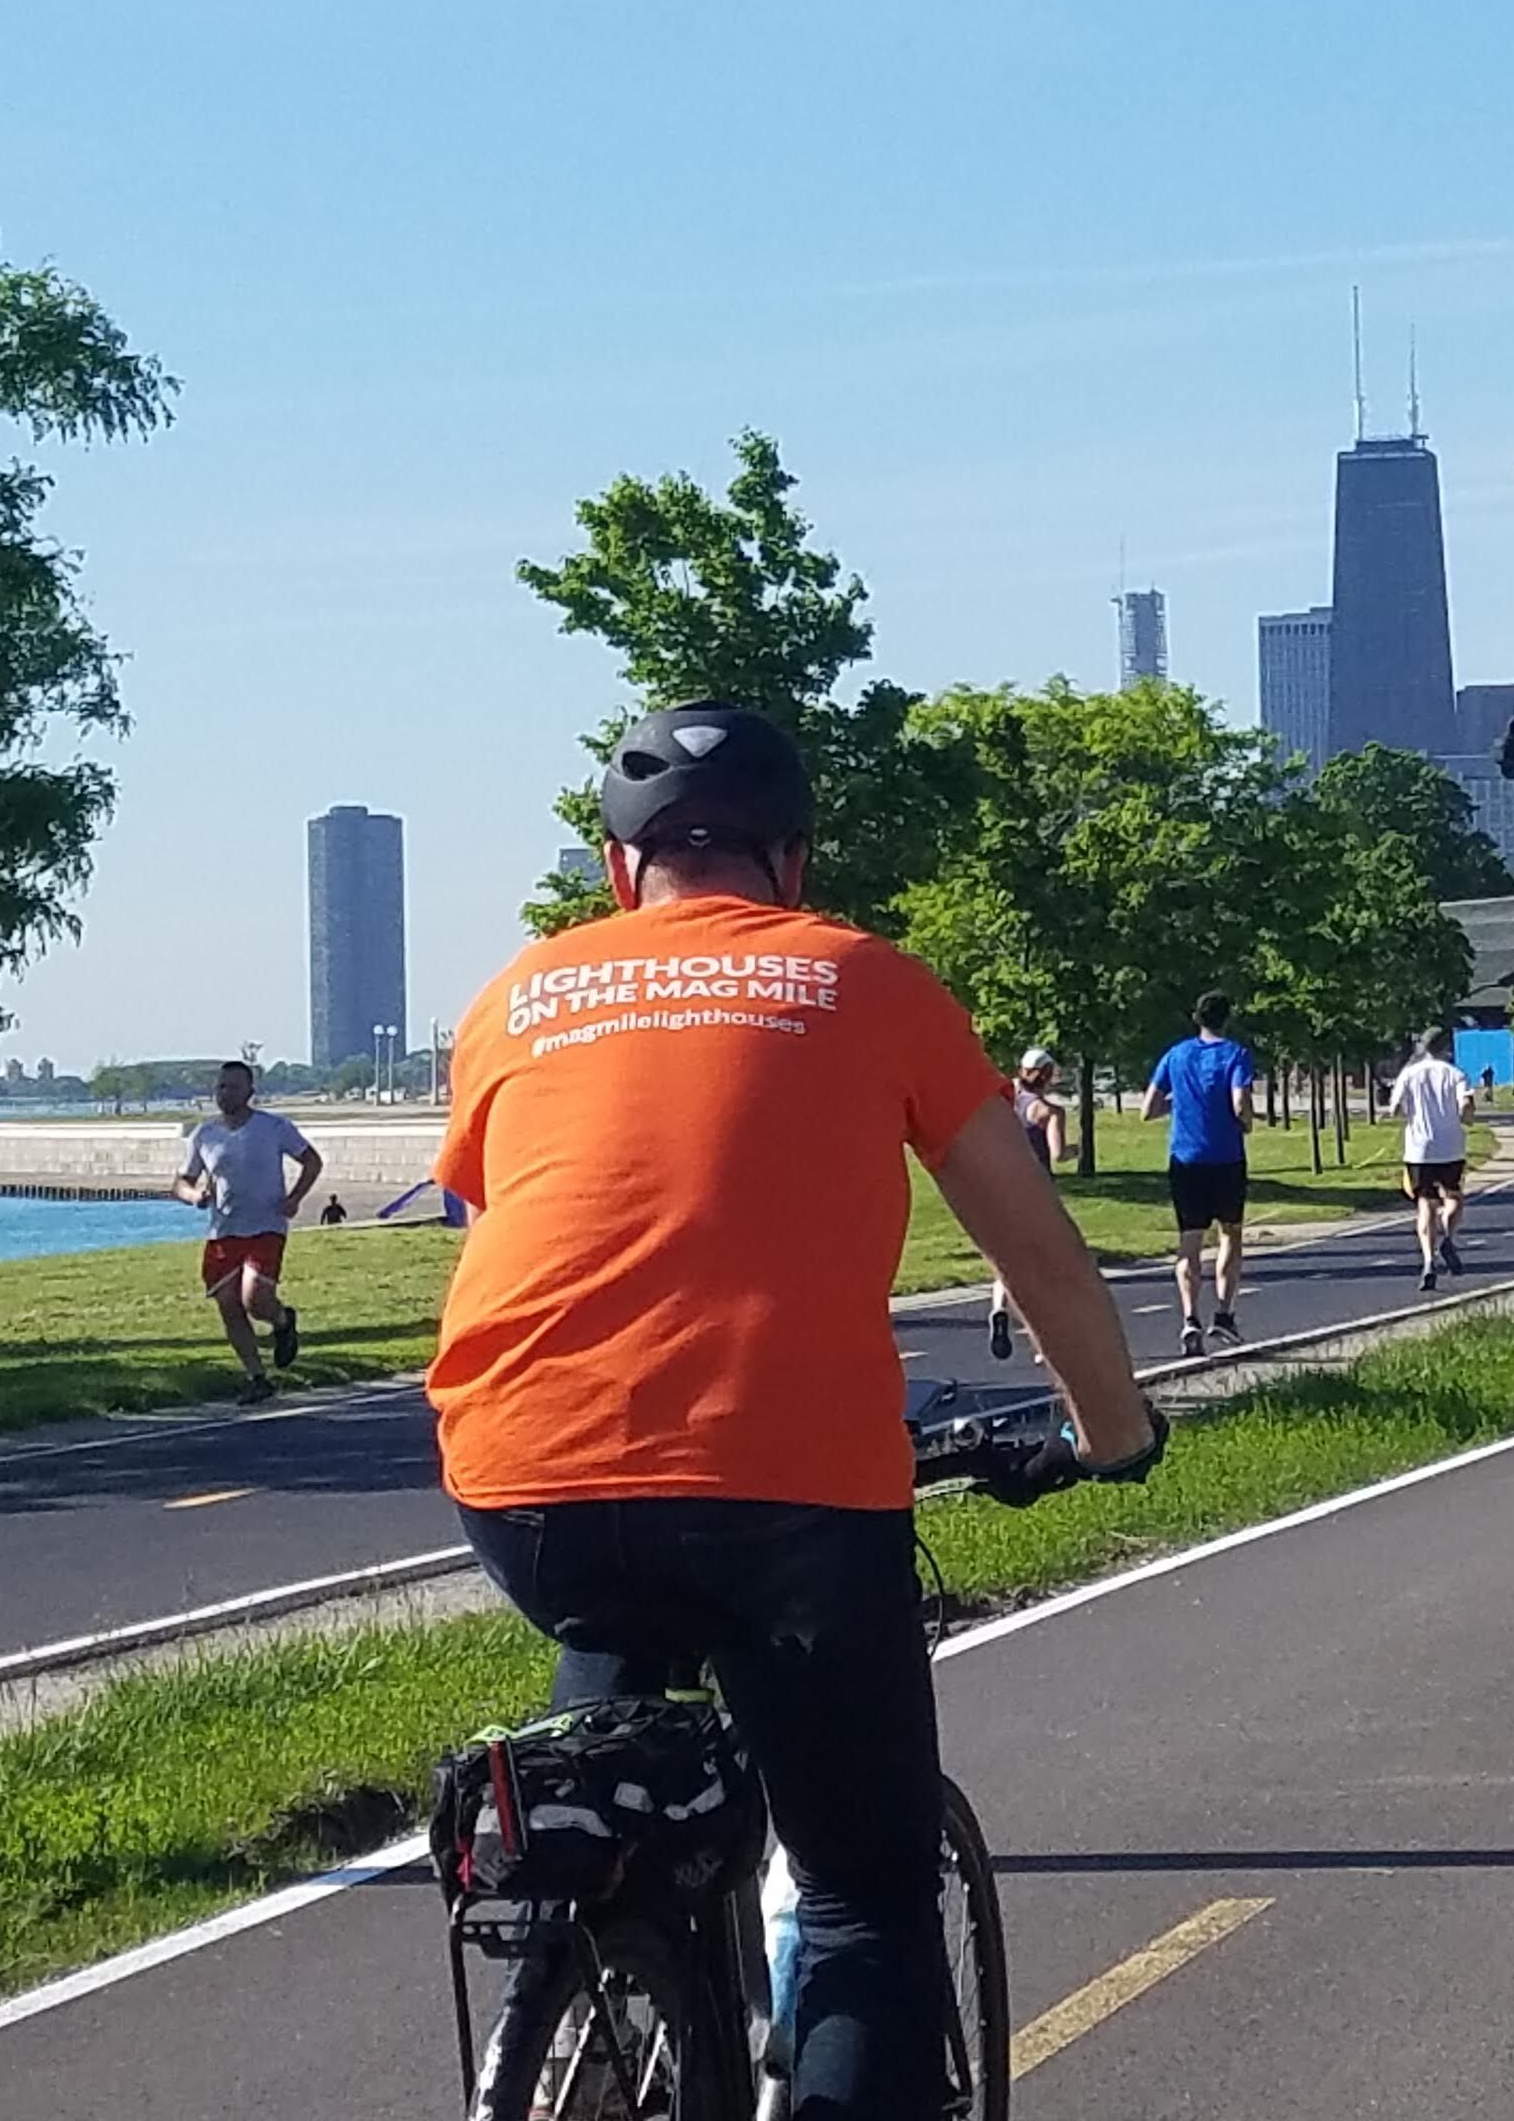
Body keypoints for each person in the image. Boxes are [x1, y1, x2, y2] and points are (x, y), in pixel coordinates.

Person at [432, 704, 1159, 2121]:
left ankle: (593, 1938)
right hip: (786, 1494)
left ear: (616, 868)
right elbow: (1037, 1249)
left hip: (521, 1479)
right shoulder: (865, 978)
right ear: (796, 861)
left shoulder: (514, 996)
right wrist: (1112, 1431)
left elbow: (522, 1222)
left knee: (610, 1750)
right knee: (863, 1896)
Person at [176, 1059, 321, 1403]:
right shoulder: (204, 1135)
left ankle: (282, 1321)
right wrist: (195, 1196)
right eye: (221, 1087)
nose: (225, 1093)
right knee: (228, 1304)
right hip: (224, 1231)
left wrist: (295, 1198)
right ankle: (257, 1377)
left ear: (249, 1092)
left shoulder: (273, 1128)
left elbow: (311, 1161)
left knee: (255, 1299)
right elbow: (181, 1182)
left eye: (233, 1087)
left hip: (266, 1226)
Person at [1144, 990, 1262, 1357]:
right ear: (1228, 1018)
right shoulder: (1236, 1055)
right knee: (1230, 1234)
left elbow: (1149, 1108)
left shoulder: (1176, 1055)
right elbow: (1240, 1102)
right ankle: (1224, 1314)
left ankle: (1189, 1318)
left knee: (1189, 1241)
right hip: (1226, 1158)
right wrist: (1246, 1122)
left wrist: (1179, 1102)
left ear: (1196, 1018)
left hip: (1185, 1158)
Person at [983, 1046, 1070, 1362]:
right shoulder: (1048, 1112)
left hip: (1001, 1188)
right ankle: (1046, 1343)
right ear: (1047, 1076)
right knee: (1044, 1267)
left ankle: (999, 1308)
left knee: (1007, 1261)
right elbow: (1058, 1154)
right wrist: (1073, 1151)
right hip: (1036, 1193)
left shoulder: (1003, 1100)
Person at [1390, 1025, 1473, 1288]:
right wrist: (1465, 1117)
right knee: (1454, 1196)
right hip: (1451, 1146)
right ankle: (1447, 1237)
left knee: (1425, 1203)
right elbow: (1466, 1106)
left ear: (1423, 1047)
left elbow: (1395, 1109)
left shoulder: (1409, 1074)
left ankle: (1428, 1260)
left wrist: (1408, 1113)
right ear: (1446, 1047)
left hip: (1419, 1150)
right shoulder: (1456, 1074)